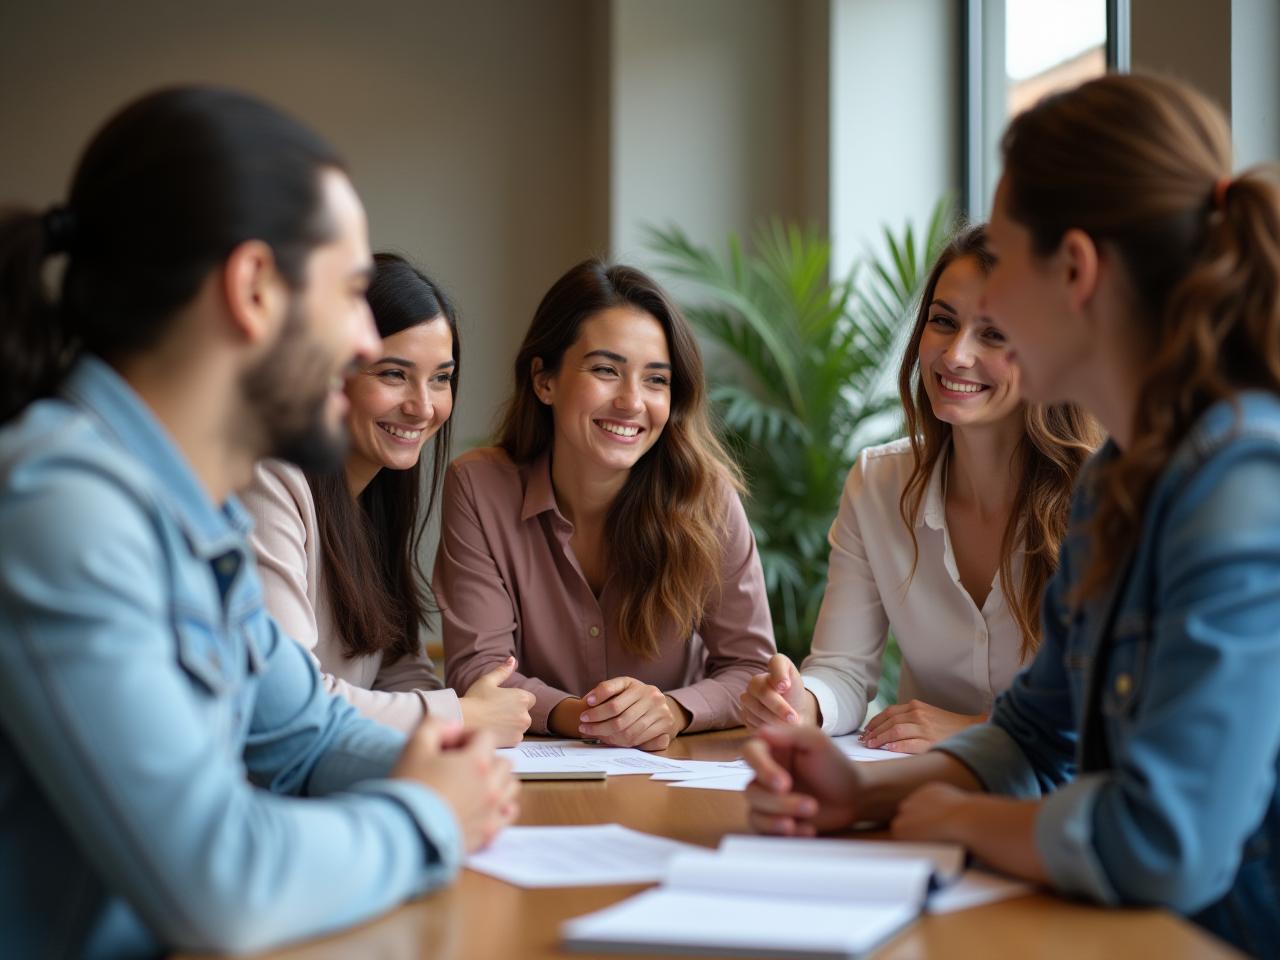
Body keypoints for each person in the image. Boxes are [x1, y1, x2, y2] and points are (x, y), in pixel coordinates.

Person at [743, 73, 1280, 955]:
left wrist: (960, 819)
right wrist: (861, 792)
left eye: (1005, 270)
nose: (977, 329)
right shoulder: (1121, 481)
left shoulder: (1245, 481)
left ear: (1075, 270)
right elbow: (1035, 731)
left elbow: (1163, 843)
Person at [0, 87, 517, 958]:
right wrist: (427, 813)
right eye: (352, 293)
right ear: (252, 290)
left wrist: (441, 755)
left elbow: (301, 735)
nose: (365, 342)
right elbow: (217, 883)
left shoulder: (190, 514)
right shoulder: (62, 507)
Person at [740, 225, 1100, 752]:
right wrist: (801, 702)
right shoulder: (879, 483)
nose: (955, 355)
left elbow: (1113, 710)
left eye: (994, 334)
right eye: (942, 322)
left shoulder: (1098, 498)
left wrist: (979, 730)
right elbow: (842, 671)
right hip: (917, 788)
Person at [436, 259, 776, 750]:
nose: (632, 401)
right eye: (605, 370)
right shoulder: (478, 488)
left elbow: (751, 669)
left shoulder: (709, 497)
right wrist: (589, 717)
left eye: (656, 380)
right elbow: (479, 671)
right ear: (544, 380)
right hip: (531, 784)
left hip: (673, 775)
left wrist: (673, 710)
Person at [242, 253, 534, 745]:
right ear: (332, 374)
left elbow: (399, 670)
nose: (423, 406)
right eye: (393, 374)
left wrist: (465, 715)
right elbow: (287, 700)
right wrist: (458, 716)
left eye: (441, 378)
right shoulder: (272, 478)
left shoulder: (376, 495)